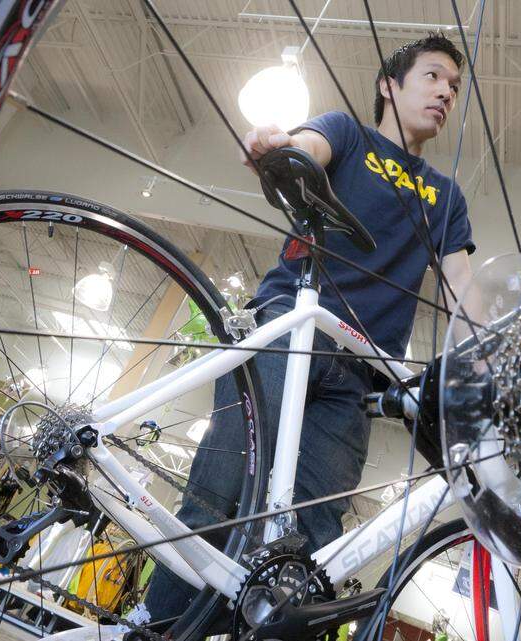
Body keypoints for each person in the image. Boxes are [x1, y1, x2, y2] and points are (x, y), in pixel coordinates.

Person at [141, 32, 477, 627]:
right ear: (389, 85)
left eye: (453, 85)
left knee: (310, 548)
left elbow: (463, 290)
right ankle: (156, 627)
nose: (445, 92)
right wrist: (280, 144)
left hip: (360, 373)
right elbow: (308, 146)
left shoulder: (447, 198)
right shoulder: (348, 132)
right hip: (288, 331)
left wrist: (496, 342)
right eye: (432, 76)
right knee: (218, 498)